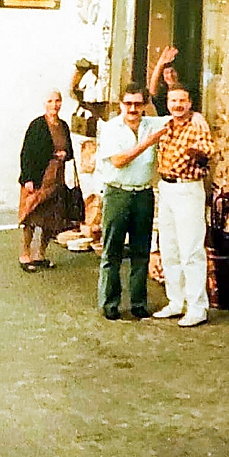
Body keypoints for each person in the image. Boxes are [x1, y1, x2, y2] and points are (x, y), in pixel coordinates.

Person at [95, 83, 170, 320]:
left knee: (141, 251)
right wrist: (147, 143)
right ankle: (110, 303)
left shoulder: (151, 124)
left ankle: (138, 303)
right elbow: (118, 160)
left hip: (143, 194)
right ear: (121, 105)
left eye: (138, 104)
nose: (133, 108)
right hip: (118, 192)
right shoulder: (110, 129)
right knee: (112, 251)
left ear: (144, 105)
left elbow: (178, 116)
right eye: (128, 103)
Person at [152, 84, 215, 327]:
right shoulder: (166, 125)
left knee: (191, 250)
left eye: (182, 101)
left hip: (188, 188)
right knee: (169, 247)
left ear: (190, 103)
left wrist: (195, 153)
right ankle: (176, 301)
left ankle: (197, 307)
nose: (178, 105)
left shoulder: (197, 124)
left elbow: (208, 150)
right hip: (166, 188)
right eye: (173, 100)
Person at [18, 90, 77, 272]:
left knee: (50, 218)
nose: (54, 105)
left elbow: (70, 151)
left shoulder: (64, 125)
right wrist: (27, 178)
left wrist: (65, 155)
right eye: (50, 101)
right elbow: (26, 152)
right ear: (45, 103)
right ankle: (25, 253)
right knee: (31, 214)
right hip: (38, 177)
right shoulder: (37, 125)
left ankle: (40, 254)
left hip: (56, 177)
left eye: (57, 100)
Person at [147, 46, 180, 117]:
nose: (170, 75)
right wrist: (161, 63)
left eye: (172, 72)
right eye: (166, 73)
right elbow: (152, 89)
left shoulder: (186, 92)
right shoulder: (162, 94)